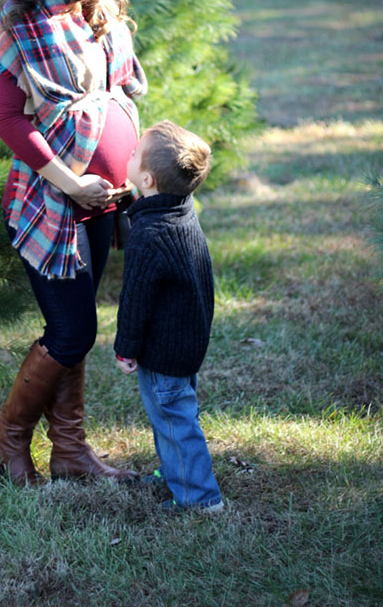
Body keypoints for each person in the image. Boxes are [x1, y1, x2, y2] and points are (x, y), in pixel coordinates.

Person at [0, 0, 147, 484]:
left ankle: (72, 453)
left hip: (101, 201)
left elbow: (122, 93)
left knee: (77, 329)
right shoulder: (19, 21)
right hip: (49, 200)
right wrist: (72, 181)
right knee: (72, 330)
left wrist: (128, 176)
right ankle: (8, 444)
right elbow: (8, 120)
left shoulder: (97, 8)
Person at [114, 120, 224, 513]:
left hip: (164, 350)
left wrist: (126, 348)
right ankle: (177, 471)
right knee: (172, 414)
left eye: (132, 153)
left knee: (175, 420)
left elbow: (135, 299)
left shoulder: (149, 235)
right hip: (186, 339)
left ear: (146, 178)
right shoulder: (179, 210)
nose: (126, 154)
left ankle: (199, 498)